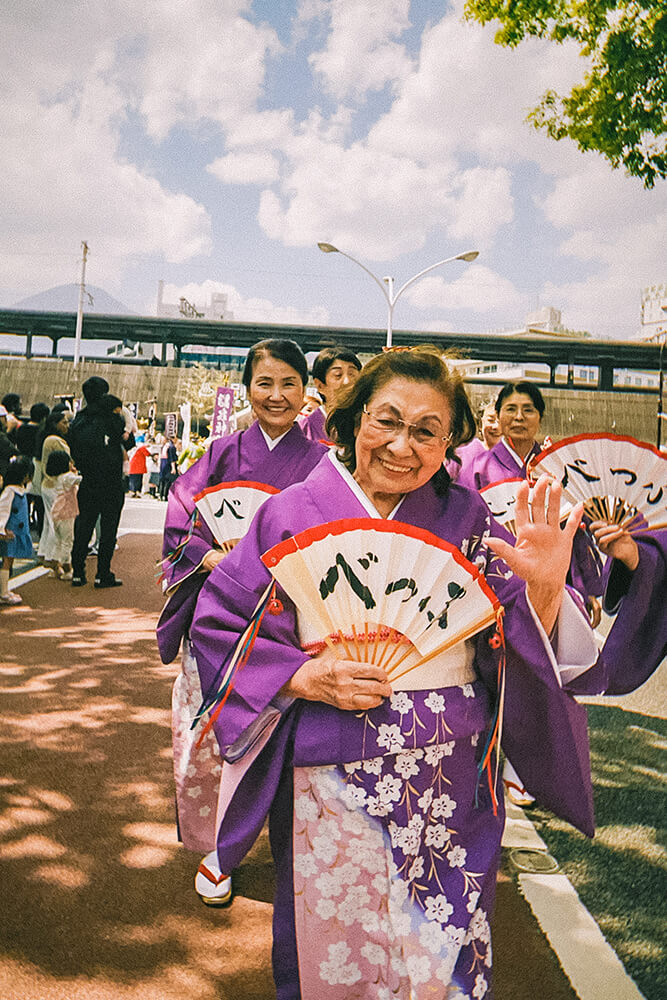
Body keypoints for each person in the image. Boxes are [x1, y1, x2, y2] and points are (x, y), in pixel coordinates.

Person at [190, 347, 665, 999]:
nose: (401, 445)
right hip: (327, 771)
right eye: (386, 420)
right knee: (335, 945)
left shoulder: (468, 519)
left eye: (426, 431)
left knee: (442, 946)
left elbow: (512, 635)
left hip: (449, 771)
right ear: (354, 418)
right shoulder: (288, 513)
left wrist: (545, 589)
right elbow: (222, 618)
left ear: (449, 443)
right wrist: (300, 677)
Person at [158, 338, 329, 907]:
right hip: (223, 617)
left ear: (306, 390)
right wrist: (209, 556)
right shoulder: (220, 454)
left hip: (295, 621)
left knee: (289, 734)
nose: (276, 395)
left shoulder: (325, 462)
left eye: (289, 383)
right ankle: (217, 847)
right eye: (264, 383)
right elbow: (182, 522)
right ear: (248, 388)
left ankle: (294, 845)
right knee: (209, 730)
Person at [69, 380, 134, 589]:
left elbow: (72, 444)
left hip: (88, 480)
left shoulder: (80, 418)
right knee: (108, 529)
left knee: (83, 526)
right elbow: (129, 442)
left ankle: (78, 572)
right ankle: (102, 574)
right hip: (111, 482)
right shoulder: (112, 417)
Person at [300, 346, 362, 443]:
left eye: (352, 374)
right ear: (320, 385)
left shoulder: (367, 424)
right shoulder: (304, 430)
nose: (347, 381)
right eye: (338, 375)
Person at [38, 450, 81, 580]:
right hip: (66, 511)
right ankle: (68, 569)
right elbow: (80, 480)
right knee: (67, 541)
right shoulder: (67, 477)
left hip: (57, 511)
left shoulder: (57, 477)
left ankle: (55, 567)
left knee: (58, 541)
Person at [0, 456, 35, 606]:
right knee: (7, 561)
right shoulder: (10, 492)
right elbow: (2, 510)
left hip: (15, 533)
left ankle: (4, 589)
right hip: (10, 533)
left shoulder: (18, 490)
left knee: (9, 561)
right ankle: (3, 592)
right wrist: (2, 529)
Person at [453, 401, 501, 487]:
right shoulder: (459, 456)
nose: (496, 426)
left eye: (501, 421)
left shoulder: (514, 460)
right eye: (491, 420)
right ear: (480, 424)